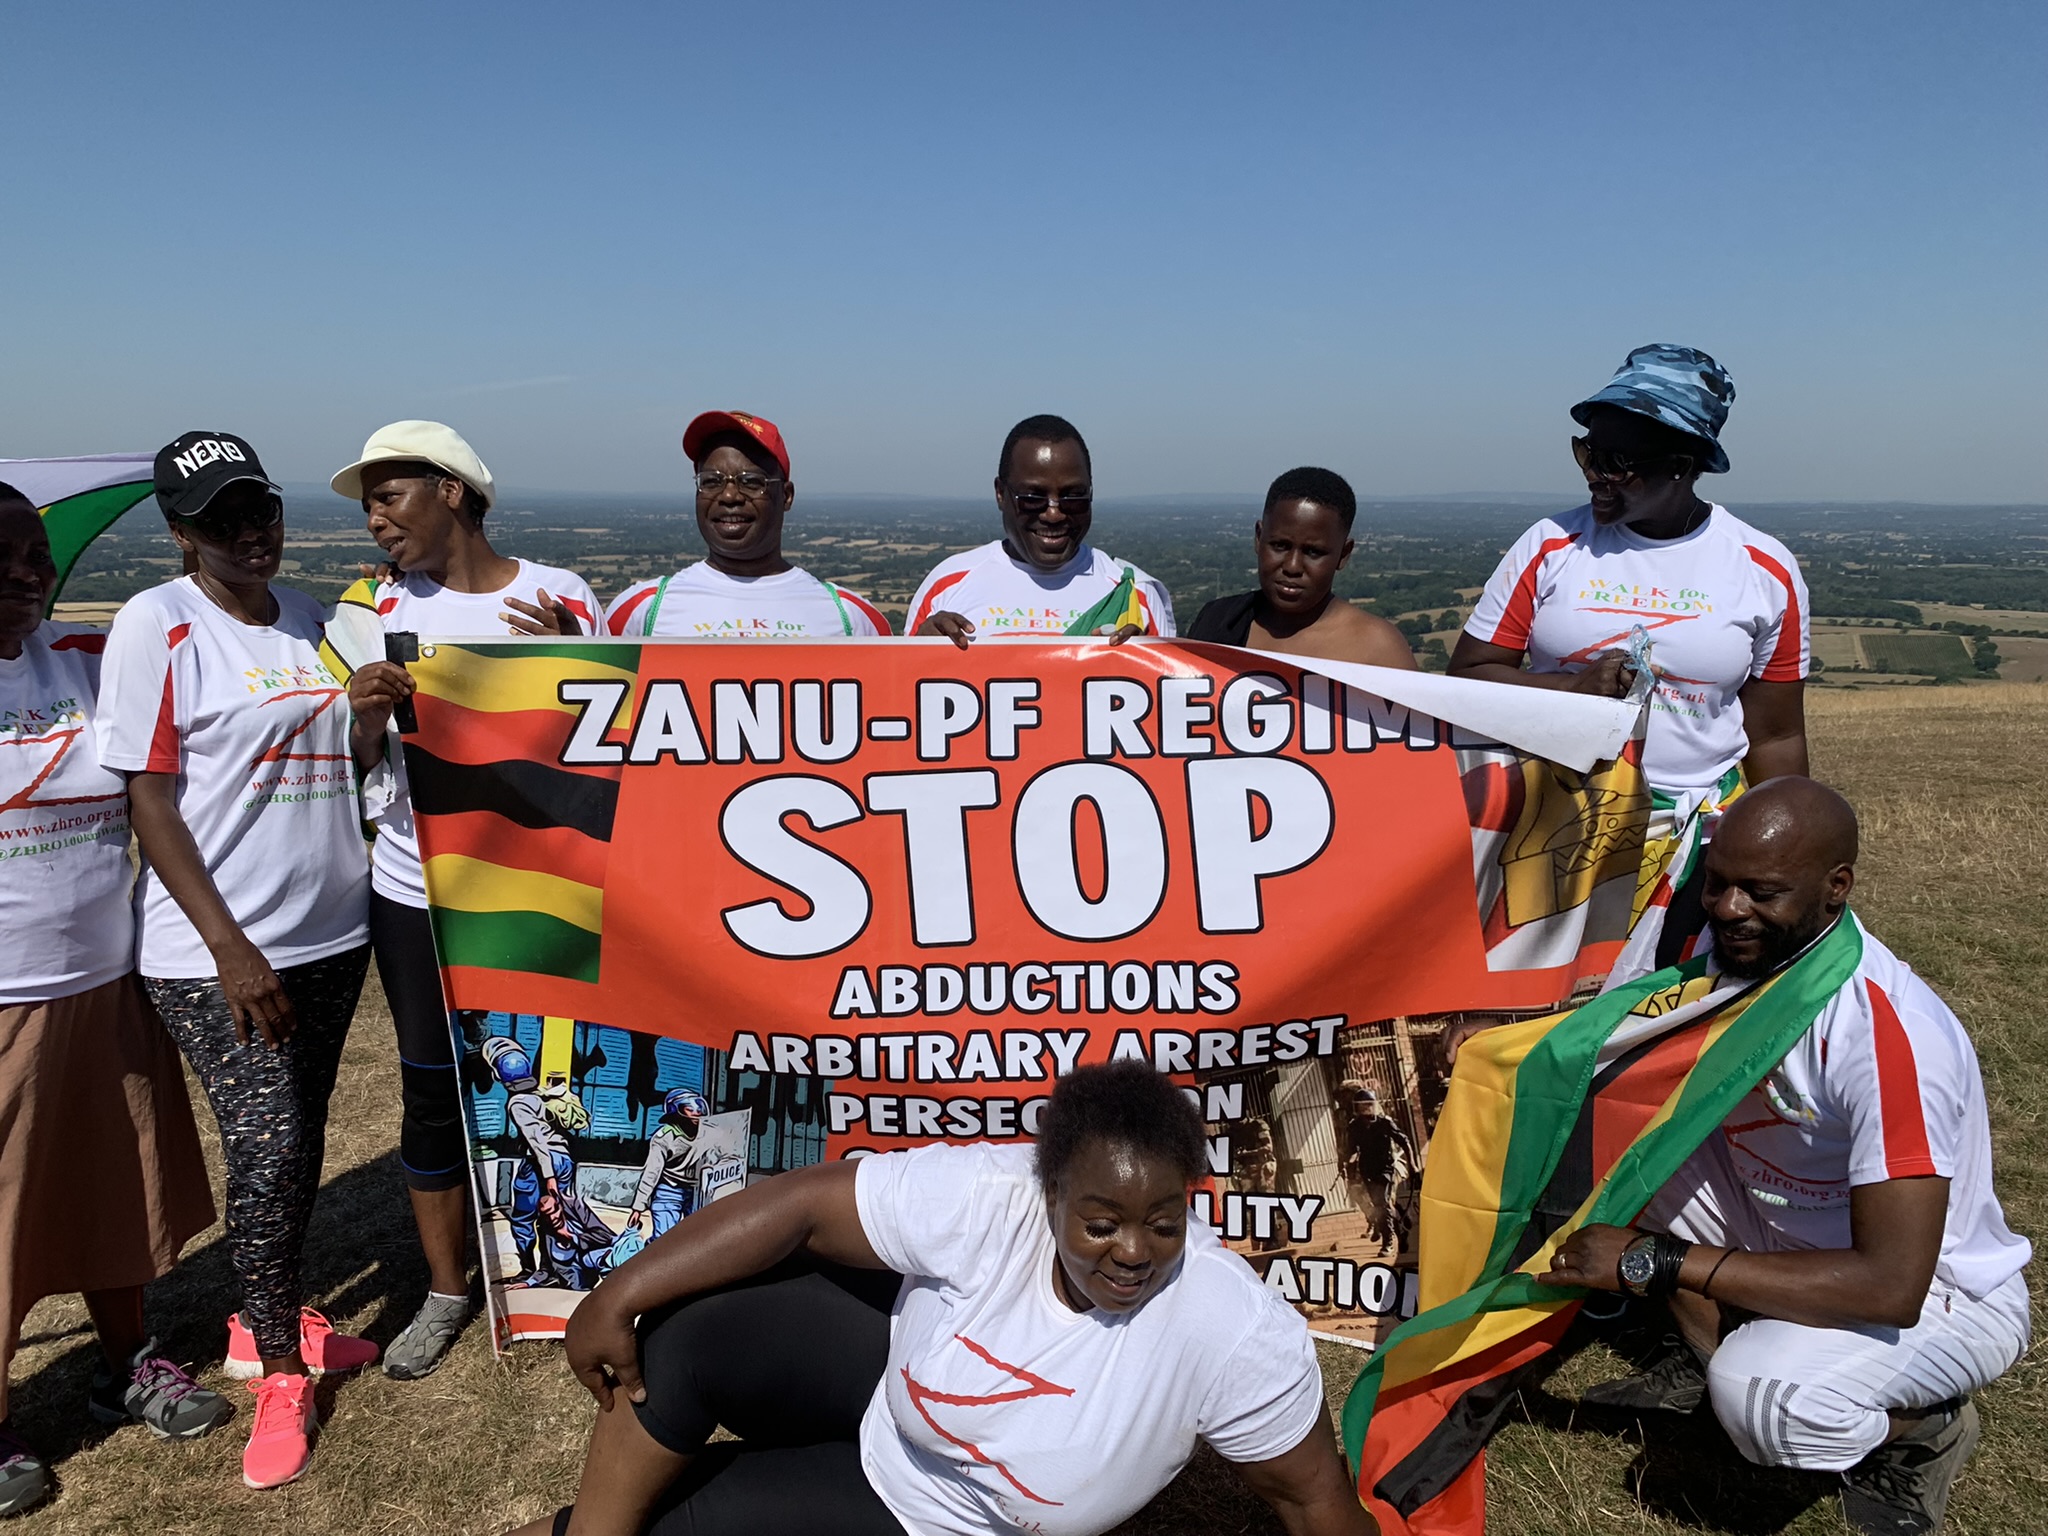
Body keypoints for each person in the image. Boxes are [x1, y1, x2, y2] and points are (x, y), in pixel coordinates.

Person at [507, 1062, 1370, 1536]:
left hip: (934, 1517)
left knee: (685, 1526)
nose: (1134, 1253)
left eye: (1164, 1224)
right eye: (1101, 1224)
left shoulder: (1233, 1331)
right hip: (889, 1390)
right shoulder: (997, 1192)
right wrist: (616, 1293)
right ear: (1053, 1194)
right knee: (687, 1331)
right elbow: (806, 1207)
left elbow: (1313, 1500)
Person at [1539, 778, 2031, 1535]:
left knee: (1768, 1399)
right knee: (1612, 1143)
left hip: (1935, 1292)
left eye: (1761, 892)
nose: (1730, 909)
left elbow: (1893, 1284)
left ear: (1837, 889)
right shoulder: (1717, 951)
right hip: (1787, 1218)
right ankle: (1716, 1361)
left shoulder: (1886, 1034)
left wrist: (1657, 1260)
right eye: (1719, 883)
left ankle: (1917, 1432)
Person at [95, 432, 379, 1491]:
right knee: (268, 1150)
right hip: (217, 951)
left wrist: (367, 716)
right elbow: (148, 797)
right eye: (221, 520)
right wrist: (230, 949)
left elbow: (336, 761)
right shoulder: (157, 624)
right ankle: (274, 1370)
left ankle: (277, 1317)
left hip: (329, 930)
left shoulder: (312, 617)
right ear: (181, 534)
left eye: (258, 508)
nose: (249, 532)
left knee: (295, 1145)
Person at [329, 420, 601, 1379]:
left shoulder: (560, 596)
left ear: (451, 491)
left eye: (389, 495)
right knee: (431, 1090)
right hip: (417, 888)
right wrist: (364, 722)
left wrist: (583, 663)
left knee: (550, 1080)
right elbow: (357, 772)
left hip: (542, 886)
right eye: (367, 502)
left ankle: (562, 1269)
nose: (374, 519)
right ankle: (450, 1289)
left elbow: (615, 747)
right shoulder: (364, 610)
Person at [0, 489, 230, 1516]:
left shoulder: (88, 657)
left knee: (115, 1186)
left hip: (105, 981)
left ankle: (126, 1361)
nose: (21, 578)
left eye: (31, 559)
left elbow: (236, 706)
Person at [1449, 345, 1809, 973]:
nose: (1595, 475)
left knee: (1659, 1010)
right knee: (1534, 1009)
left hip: (1696, 840)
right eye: (1588, 451)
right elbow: (1469, 677)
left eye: (1619, 461)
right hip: (1551, 825)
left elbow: (1775, 732)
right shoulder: (1551, 546)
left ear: (1682, 465)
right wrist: (1566, 687)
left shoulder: (1762, 568)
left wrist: (1795, 853)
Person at [605, 412, 889, 638]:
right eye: (711, 481)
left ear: (786, 496)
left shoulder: (853, 618)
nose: (729, 496)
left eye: (751, 482)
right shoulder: (640, 611)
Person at [909, 415, 1175, 647]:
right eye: (1033, 498)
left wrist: (1140, 656)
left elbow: (1171, 697)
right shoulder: (945, 586)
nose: (1054, 513)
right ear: (1001, 494)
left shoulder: (1133, 592)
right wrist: (919, 656)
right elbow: (896, 694)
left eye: (1074, 497)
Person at [1186, 467, 1415, 669]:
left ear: (1343, 555)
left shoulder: (1378, 649)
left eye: (1313, 552)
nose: (1292, 566)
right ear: (1258, 538)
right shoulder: (1218, 622)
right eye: (1280, 546)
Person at [483, 1038, 617, 1291]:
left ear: (498, 1075)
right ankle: (561, 1269)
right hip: (564, 1159)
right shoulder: (541, 1096)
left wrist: (548, 1176)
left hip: (541, 1164)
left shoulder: (517, 1103)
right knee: (558, 1217)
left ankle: (530, 1271)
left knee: (523, 1219)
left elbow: (536, 1141)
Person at [1336, 1082, 1413, 1258]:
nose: (1365, 1109)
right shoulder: (1352, 1123)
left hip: (1387, 1166)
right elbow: (1350, 1147)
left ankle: (1388, 1241)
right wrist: (1347, 1162)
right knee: (1377, 1205)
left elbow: (1402, 1140)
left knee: (1383, 1204)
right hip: (1367, 1169)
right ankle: (1399, 1230)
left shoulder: (1382, 1120)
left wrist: (1413, 1164)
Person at [627, 1090, 716, 1239]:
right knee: (664, 1240)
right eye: (690, 1109)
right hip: (669, 1191)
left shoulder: (708, 1134)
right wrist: (638, 1207)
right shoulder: (664, 1137)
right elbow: (652, 1173)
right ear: (676, 1110)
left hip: (697, 1192)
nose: (696, 1113)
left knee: (698, 1239)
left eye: (699, 1108)